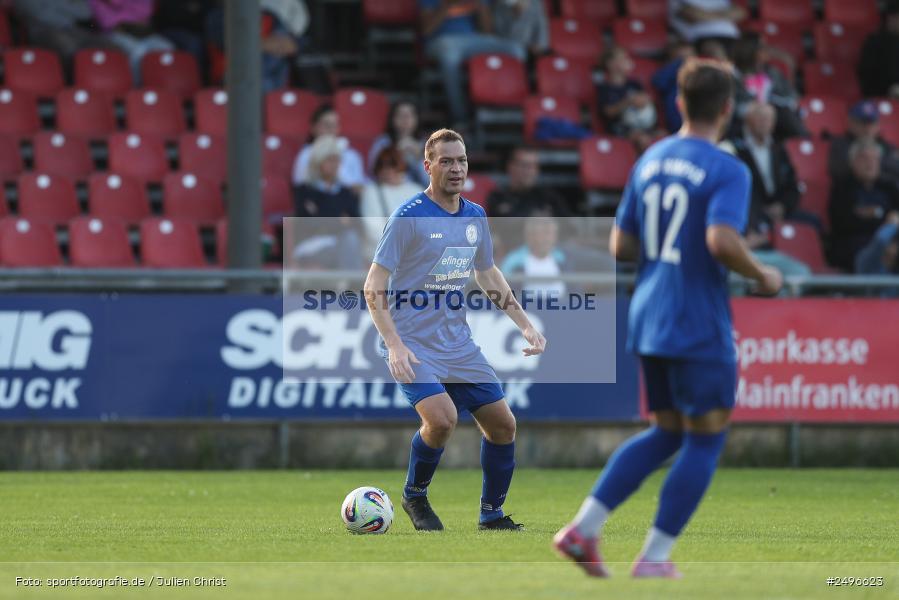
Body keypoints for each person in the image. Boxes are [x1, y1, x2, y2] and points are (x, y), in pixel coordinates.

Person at [554, 58, 782, 578]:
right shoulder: (728, 168)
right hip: (696, 319)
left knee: (666, 433)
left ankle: (584, 529)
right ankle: (653, 558)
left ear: (678, 102)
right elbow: (721, 240)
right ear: (728, 109)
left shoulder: (651, 159)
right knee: (705, 438)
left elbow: (621, 243)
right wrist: (763, 274)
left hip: (649, 315)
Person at [363, 128, 546, 532]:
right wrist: (393, 345)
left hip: (457, 344)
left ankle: (491, 514)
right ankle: (414, 495)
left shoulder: (475, 215)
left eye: (461, 160)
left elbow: (488, 274)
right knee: (443, 419)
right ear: (428, 166)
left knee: (503, 425)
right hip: (413, 345)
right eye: (446, 161)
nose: (456, 168)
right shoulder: (408, 217)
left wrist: (525, 323)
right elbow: (373, 285)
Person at [731, 102, 812, 276]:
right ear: (748, 121)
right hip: (750, 216)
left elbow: (792, 184)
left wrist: (782, 206)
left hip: (778, 211)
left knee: (812, 223)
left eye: (768, 119)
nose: (764, 123)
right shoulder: (736, 149)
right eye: (760, 118)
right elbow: (742, 190)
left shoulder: (779, 150)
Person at [420, 0, 526, 128]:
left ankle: (516, 107)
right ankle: (460, 117)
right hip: (443, 41)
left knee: (516, 50)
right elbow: (426, 30)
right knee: (450, 58)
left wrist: (480, 5)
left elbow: (487, 31)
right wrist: (447, 5)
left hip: (473, 40)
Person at [291, 135, 363, 269]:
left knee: (350, 240)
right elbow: (308, 224)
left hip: (342, 243)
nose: (335, 164)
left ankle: (350, 286)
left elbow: (356, 223)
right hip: (312, 246)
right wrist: (339, 219)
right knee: (349, 244)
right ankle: (353, 287)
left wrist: (322, 214)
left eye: (337, 160)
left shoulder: (346, 193)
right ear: (318, 162)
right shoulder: (304, 191)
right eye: (330, 160)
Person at [828, 139, 899, 272]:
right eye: (864, 158)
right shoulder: (842, 187)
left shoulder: (889, 186)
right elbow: (842, 223)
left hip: (891, 245)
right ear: (852, 162)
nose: (870, 163)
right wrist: (885, 222)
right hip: (854, 246)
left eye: (875, 159)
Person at [731, 33, 803, 139]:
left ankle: (802, 143)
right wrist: (755, 108)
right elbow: (735, 104)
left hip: (775, 119)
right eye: (762, 47)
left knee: (786, 115)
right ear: (750, 50)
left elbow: (792, 97)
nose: (766, 50)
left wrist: (770, 105)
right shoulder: (734, 75)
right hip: (744, 120)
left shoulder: (772, 73)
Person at [88, 0, 175, 83]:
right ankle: (136, 87)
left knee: (167, 48)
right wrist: (130, 18)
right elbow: (106, 22)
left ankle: (161, 86)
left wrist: (124, 20)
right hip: (113, 34)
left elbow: (146, 11)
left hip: (140, 32)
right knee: (139, 52)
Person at [12, 0, 112, 71]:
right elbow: (37, 14)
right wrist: (66, 13)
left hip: (73, 30)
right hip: (43, 31)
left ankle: (100, 84)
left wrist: (60, 11)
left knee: (109, 46)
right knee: (68, 47)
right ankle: (73, 86)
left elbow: (86, 12)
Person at [360, 146, 424, 255]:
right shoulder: (371, 191)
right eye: (382, 166)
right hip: (382, 253)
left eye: (392, 165)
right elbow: (373, 230)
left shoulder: (417, 191)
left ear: (400, 166)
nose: (387, 170)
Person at [291, 104, 367, 191]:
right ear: (313, 128)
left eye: (335, 125)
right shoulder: (306, 154)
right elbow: (300, 186)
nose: (331, 129)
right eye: (326, 124)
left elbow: (359, 188)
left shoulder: (352, 155)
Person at [597, 46, 658, 152]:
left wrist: (644, 101)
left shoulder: (634, 84)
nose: (628, 61)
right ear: (610, 64)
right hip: (620, 130)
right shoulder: (605, 88)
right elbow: (608, 112)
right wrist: (628, 102)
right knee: (642, 139)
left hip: (642, 126)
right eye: (623, 58)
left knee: (665, 136)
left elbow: (646, 100)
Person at [829, 101, 899, 188]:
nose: (867, 128)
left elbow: (896, 168)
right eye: (862, 123)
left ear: (878, 125)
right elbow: (838, 170)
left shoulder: (887, 147)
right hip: (850, 193)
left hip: (884, 193)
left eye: (871, 123)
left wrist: (868, 166)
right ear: (850, 122)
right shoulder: (840, 145)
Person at [367, 101, 429, 188]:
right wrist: (395, 153)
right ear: (392, 119)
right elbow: (373, 173)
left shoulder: (427, 143)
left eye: (410, 115)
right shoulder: (382, 142)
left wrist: (419, 158)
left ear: (417, 119)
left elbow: (432, 183)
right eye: (400, 115)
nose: (405, 119)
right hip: (389, 190)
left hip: (417, 193)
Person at [500, 217, 567, 297]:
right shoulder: (513, 261)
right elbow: (502, 291)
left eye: (551, 234)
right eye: (545, 233)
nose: (547, 239)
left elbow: (572, 288)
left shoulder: (562, 258)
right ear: (529, 236)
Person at [669, 0, 745, 55]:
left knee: (749, 47)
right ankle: (729, 75)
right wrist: (724, 14)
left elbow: (740, 13)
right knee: (715, 49)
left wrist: (706, 14)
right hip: (700, 38)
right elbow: (692, 15)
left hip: (733, 37)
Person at [858, 0, 899, 99]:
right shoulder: (875, 42)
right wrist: (890, 88)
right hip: (881, 95)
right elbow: (868, 75)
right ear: (890, 18)